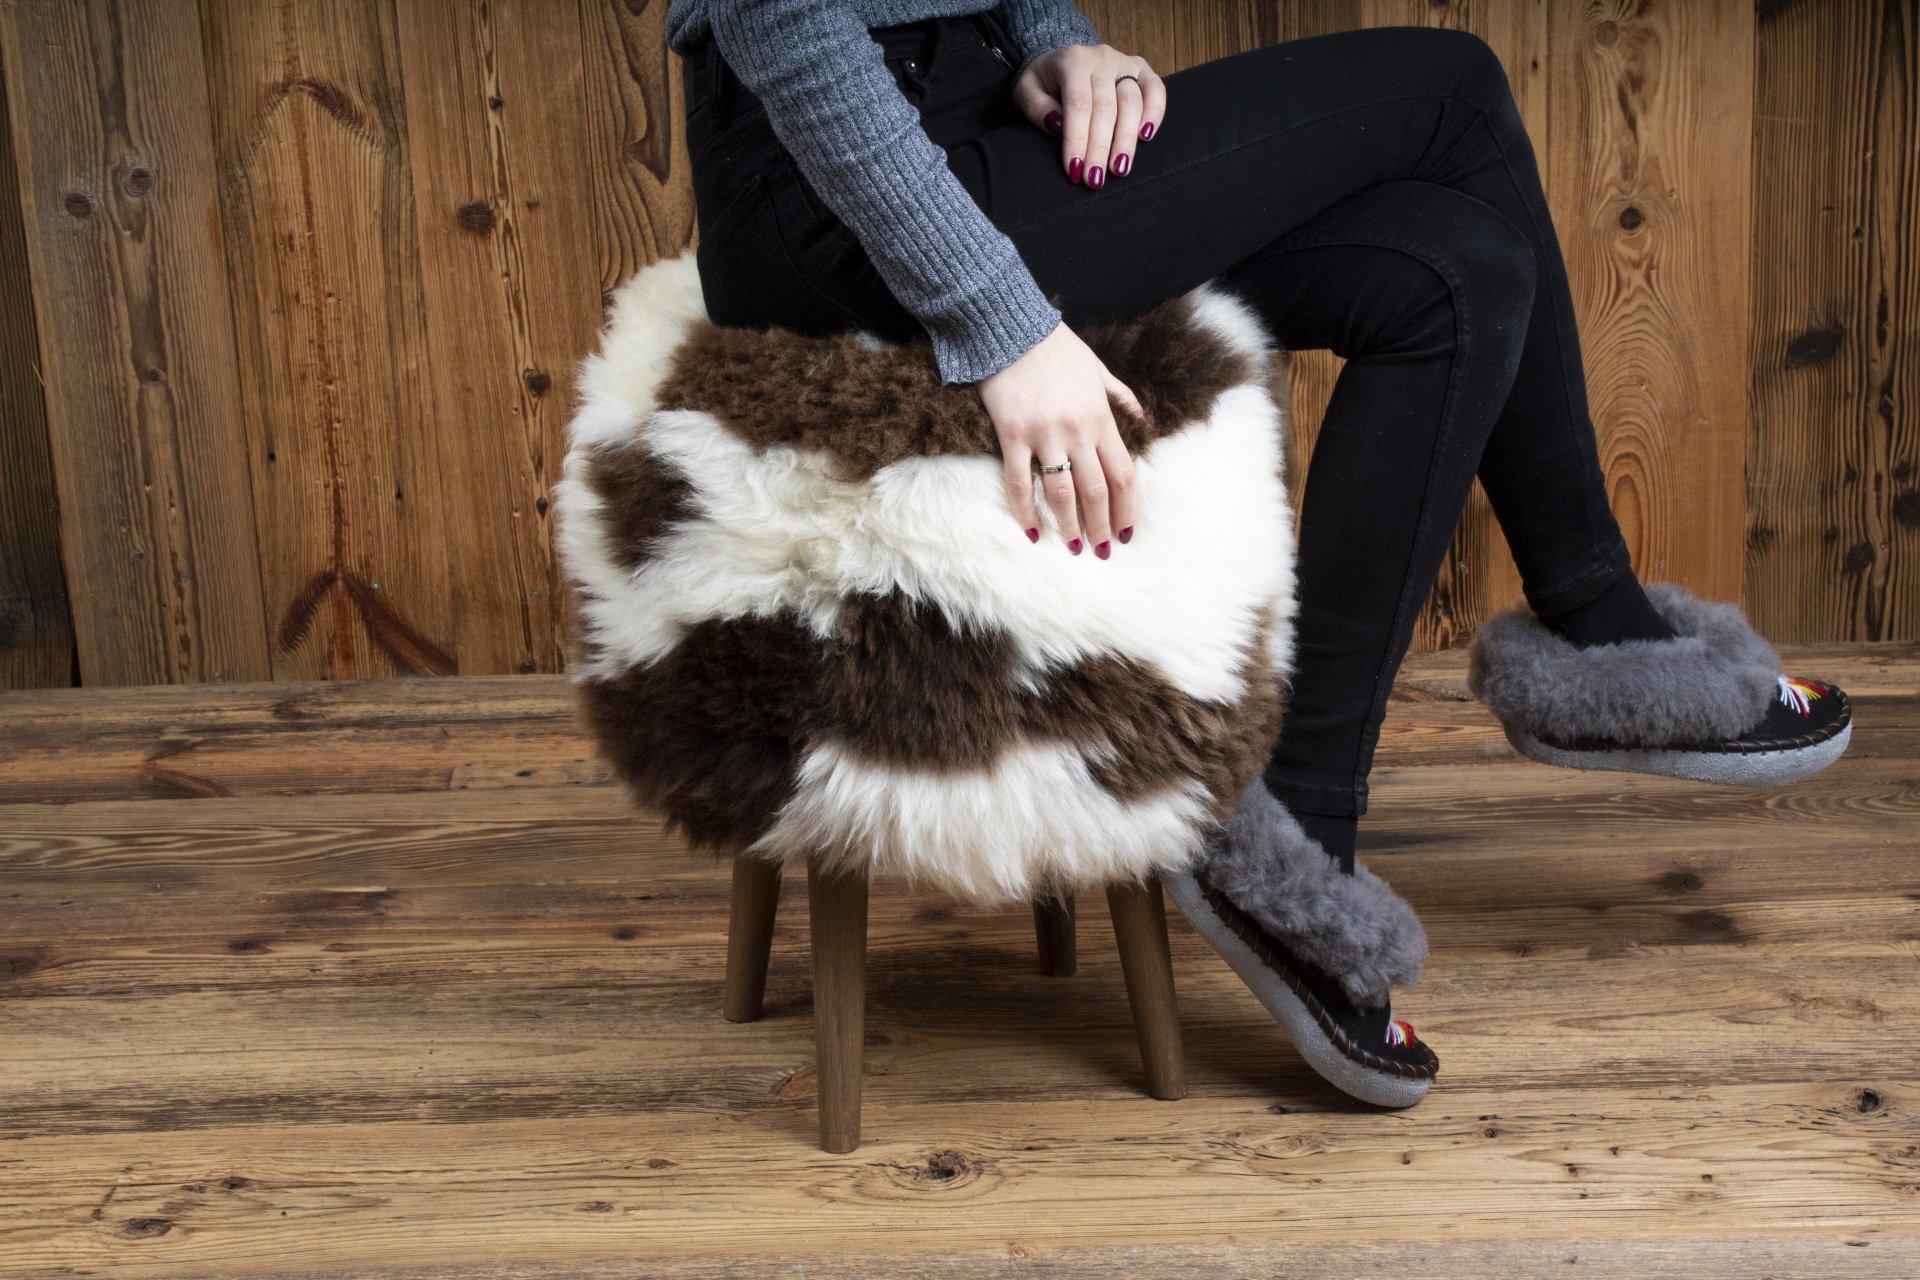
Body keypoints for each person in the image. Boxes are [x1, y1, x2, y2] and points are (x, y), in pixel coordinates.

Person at [664, 1, 1853, 1107]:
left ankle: (1298, 818)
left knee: (1458, 267)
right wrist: (1005, 326)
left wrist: (1050, 38)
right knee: (1455, 87)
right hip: (835, 189)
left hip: (981, 127)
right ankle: (1594, 614)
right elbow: (784, 16)